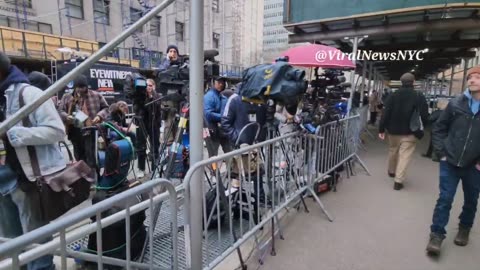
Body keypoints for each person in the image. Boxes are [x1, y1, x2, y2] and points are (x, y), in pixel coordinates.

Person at [0, 52, 66, 270]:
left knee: (37, 246)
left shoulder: (28, 93)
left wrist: (16, 135)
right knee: (11, 244)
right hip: (3, 181)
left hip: (26, 179)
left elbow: (57, 130)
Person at [426, 66, 480, 256]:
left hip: (474, 166)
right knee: (445, 199)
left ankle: (464, 228)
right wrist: (441, 152)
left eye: (477, 77)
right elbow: (439, 127)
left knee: (471, 200)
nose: (472, 80)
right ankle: (437, 234)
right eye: (470, 77)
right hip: (450, 161)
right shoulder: (456, 103)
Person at [378, 72, 428, 190]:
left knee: (393, 150)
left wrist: (381, 129)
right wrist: (422, 127)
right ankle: (398, 181)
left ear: (401, 82)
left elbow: (385, 113)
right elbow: (424, 115)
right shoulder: (418, 96)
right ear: (414, 82)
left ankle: (391, 171)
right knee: (405, 155)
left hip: (393, 131)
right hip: (411, 131)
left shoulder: (393, 95)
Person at [58, 75, 109, 165]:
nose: (80, 90)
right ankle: (82, 175)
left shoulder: (96, 95)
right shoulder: (67, 97)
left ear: (86, 86)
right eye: (78, 87)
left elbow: (106, 108)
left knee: (91, 158)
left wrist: (99, 116)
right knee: (79, 157)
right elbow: (60, 111)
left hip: (90, 130)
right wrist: (66, 116)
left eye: (82, 87)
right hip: (75, 132)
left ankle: (93, 176)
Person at [136, 79, 162, 178]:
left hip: (154, 124)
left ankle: (154, 168)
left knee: (155, 147)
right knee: (141, 147)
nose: (148, 87)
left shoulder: (157, 96)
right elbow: (139, 107)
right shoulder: (140, 96)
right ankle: (141, 168)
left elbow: (157, 107)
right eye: (146, 85)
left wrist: (151, 97)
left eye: (150, 85)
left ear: (154, 86)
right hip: (142, 123)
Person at [204, 76, 233, 157]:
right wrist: (223, 117)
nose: (221, 84)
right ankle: (214, 170)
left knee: (230, 153)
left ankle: (231, 169)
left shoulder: (223, 97)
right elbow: (208, 114)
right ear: (213, 83)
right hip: (212, 130)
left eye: (223, 83)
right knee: (213, 156)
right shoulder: (209, 96)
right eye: (219, 82)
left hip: (223, 129)